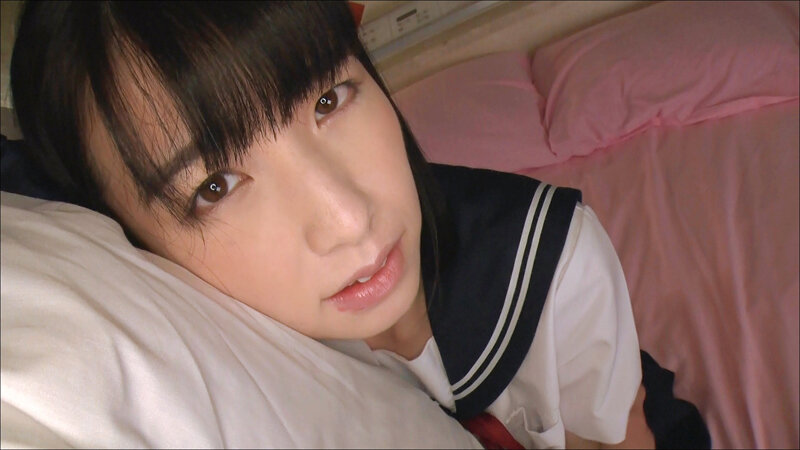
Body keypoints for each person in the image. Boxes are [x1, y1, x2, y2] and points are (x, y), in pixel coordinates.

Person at [9, 2, 709, 448]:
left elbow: (620, 435)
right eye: (215, 186)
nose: (349, 220)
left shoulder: (549, 262)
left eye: (329, 99)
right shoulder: (200, 340)